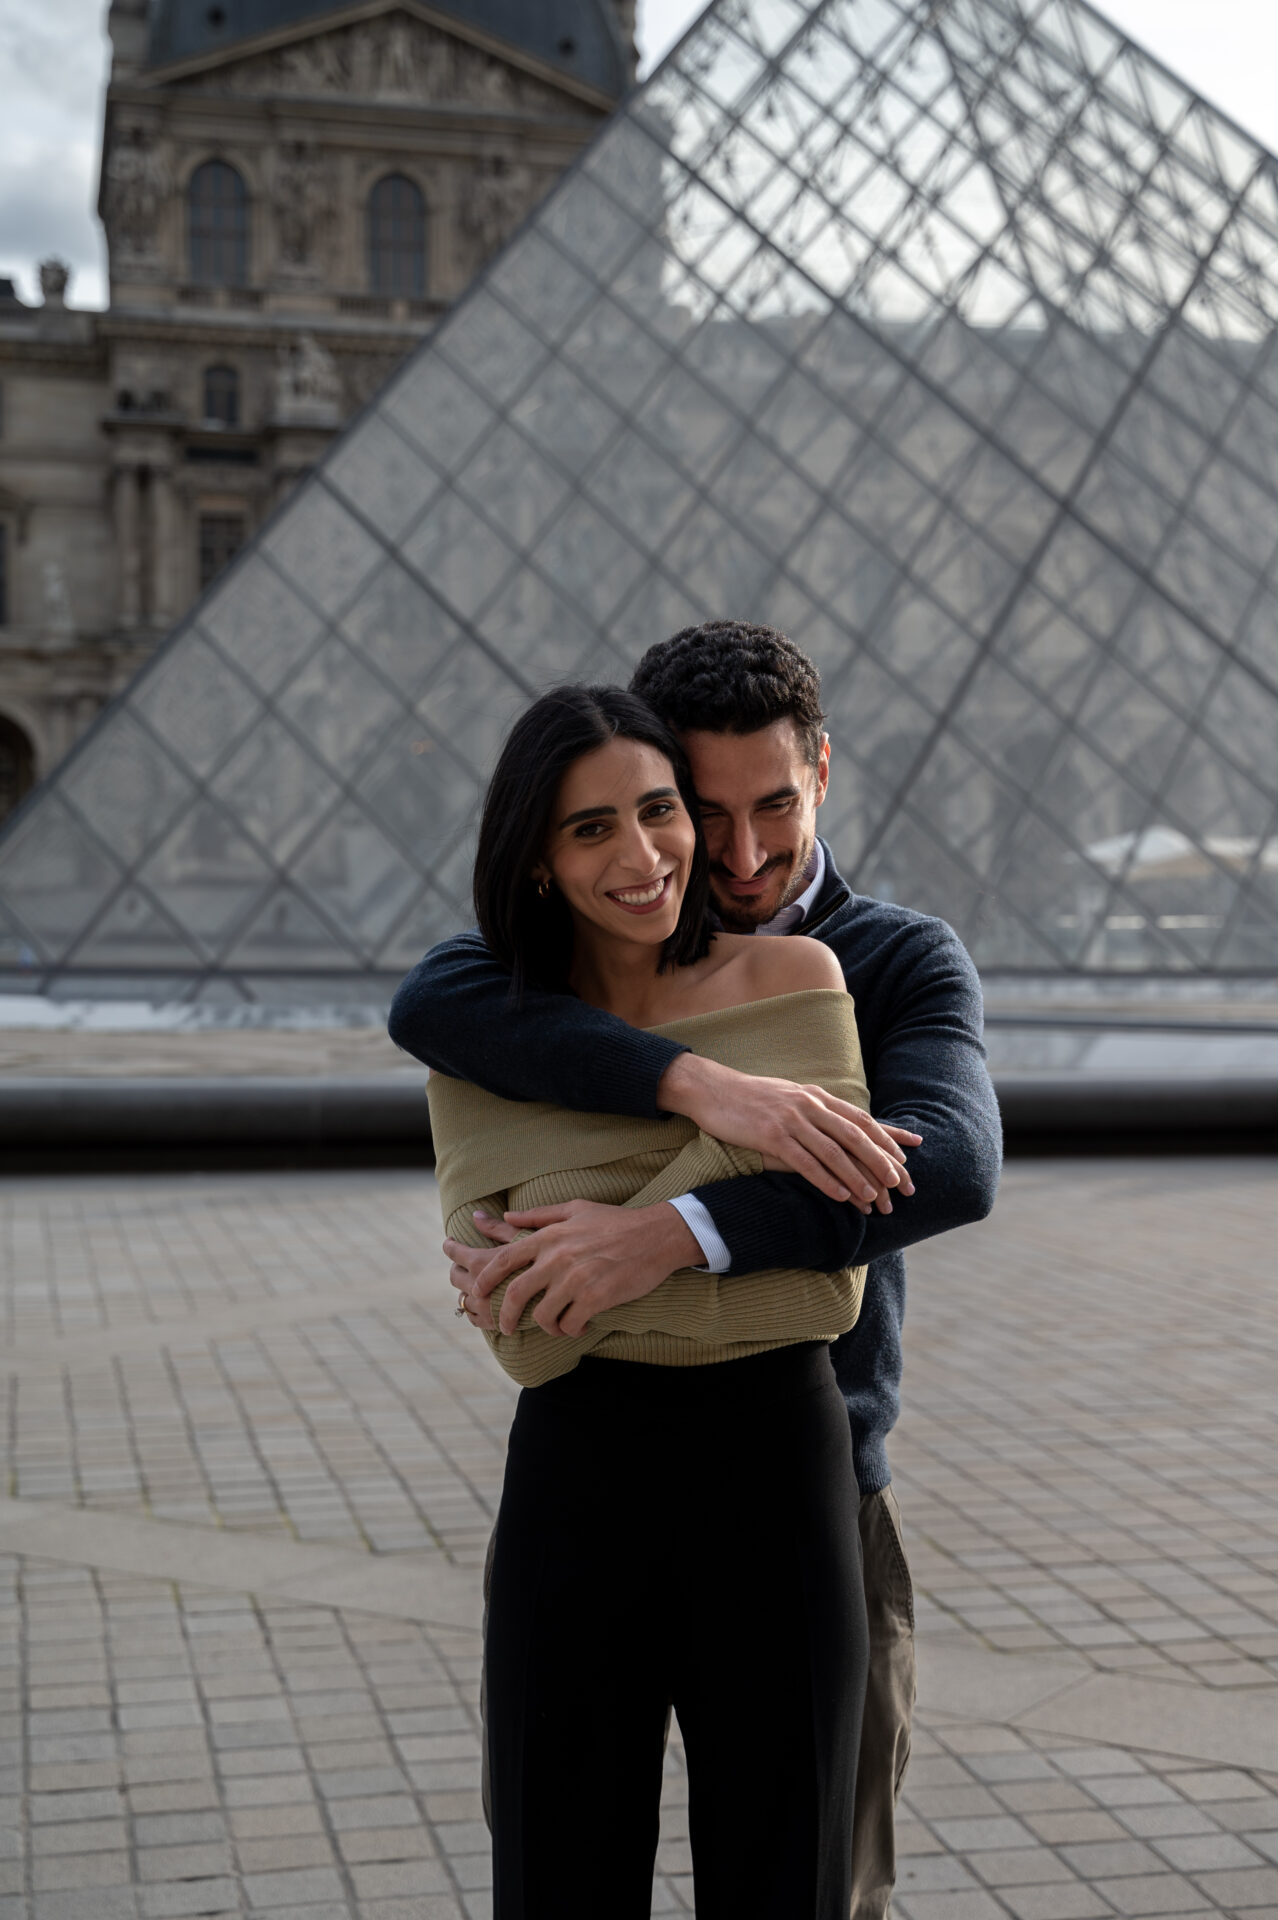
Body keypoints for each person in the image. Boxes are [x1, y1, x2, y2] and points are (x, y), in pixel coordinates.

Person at [391, 623, 1003, 1919]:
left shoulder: (888, 960)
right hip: (588, 1467)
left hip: (819, 1457)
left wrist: (664, 1235)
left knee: (818, 1879)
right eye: (695, 811)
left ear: (822, 771)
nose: (728, 854)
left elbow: (944, 1166)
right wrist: (712, 1088)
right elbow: (430, 999)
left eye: (769, 806)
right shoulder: (532, 983)